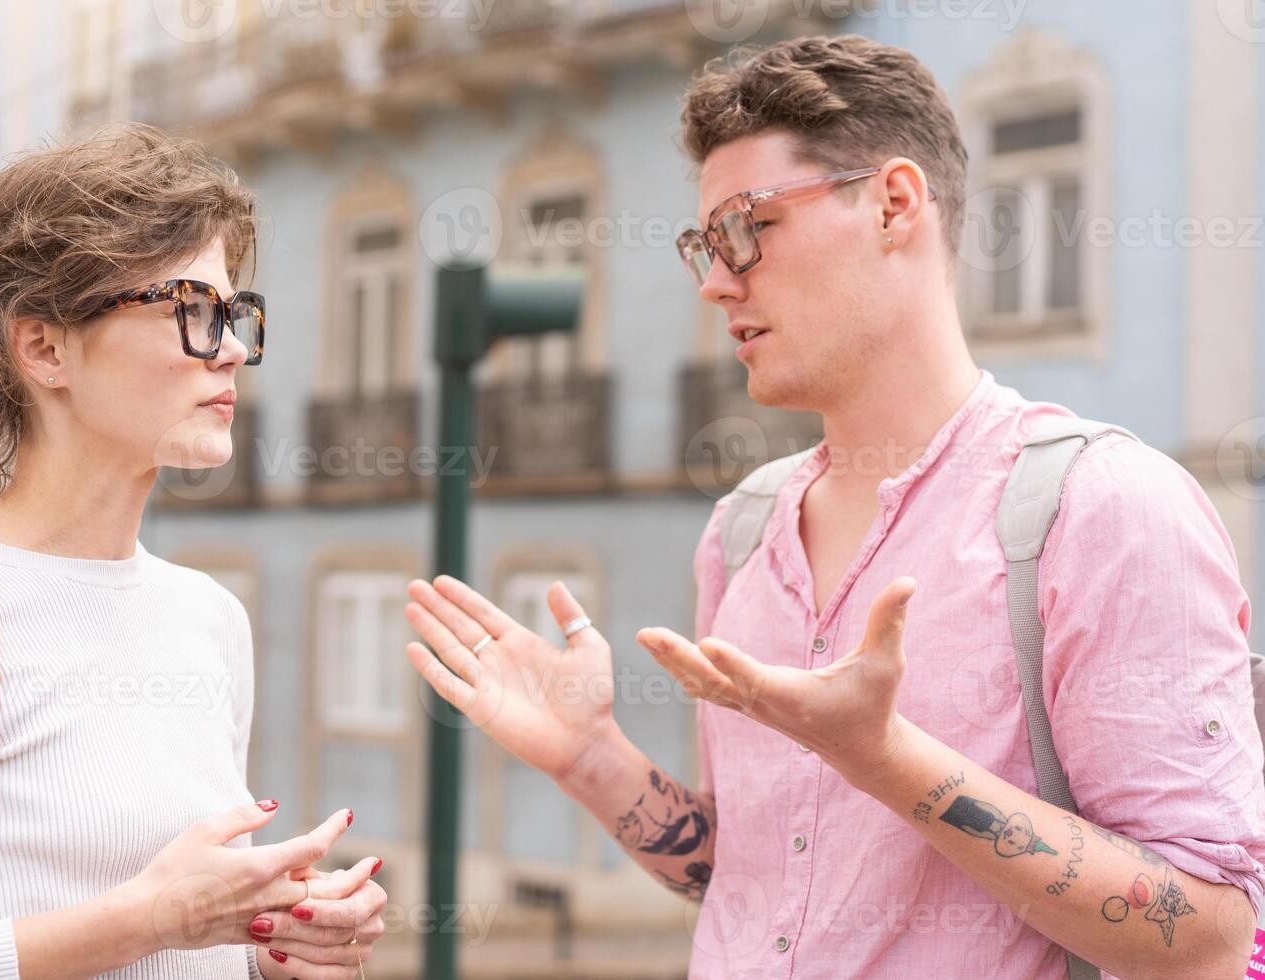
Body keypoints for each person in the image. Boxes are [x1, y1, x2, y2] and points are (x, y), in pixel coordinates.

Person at [402, 35, 1265, 978]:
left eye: (746, 227)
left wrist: (884, 757)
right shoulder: (741, 532)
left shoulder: (1103, 510)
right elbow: (762, 881)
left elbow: (1210, 933)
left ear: (894, 205)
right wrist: (593, 761)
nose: (715, 280)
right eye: (704, 242)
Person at [0, 123, 386, 979]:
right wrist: (152, 919)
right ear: (42, 347)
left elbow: (180, 950)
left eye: (232, 314)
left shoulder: (209, 616)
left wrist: (273, 952)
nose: (228, 350)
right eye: (190, 309)